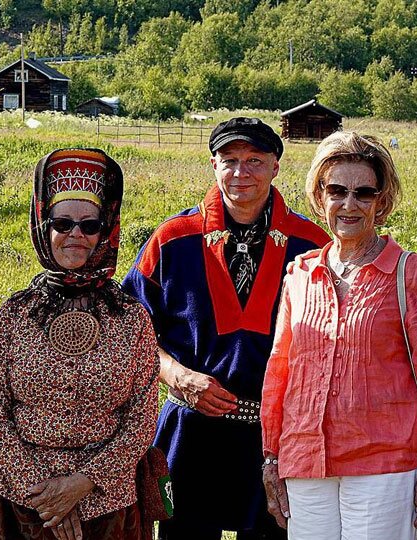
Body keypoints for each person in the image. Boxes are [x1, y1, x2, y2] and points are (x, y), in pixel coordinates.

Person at [122, 117, 330, 540]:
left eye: (255, 160)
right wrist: (176, 374)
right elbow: (131, 328)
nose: (241, 173)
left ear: (276, 165)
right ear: (213, 165)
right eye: (230, 160)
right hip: (192, 429)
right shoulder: (172, 239)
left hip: (278, 437)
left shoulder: (312, 245)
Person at [260, 131, 417, 539]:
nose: (349, 204)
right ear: (320, 197)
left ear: (381, 202)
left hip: (384, 462)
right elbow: (279, 373)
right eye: (337, 190)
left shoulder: (409, 272)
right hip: (305, 460)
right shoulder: (300, 273)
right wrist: (270, 457)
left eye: (364, 193)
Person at [0, 148, 159, 540]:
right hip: (23, 505)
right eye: (63, 222)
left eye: (89, 224)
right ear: (46, 228)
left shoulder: (131, 317)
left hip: (107, 503)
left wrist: (82, 484)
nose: (76, 234)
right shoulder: (16, 313)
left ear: (105, 232)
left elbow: (142, 418)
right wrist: (47, 496)